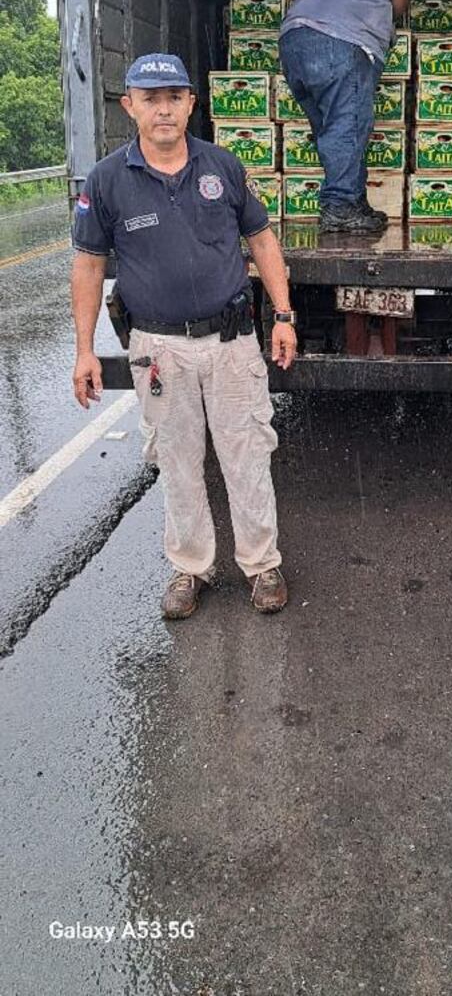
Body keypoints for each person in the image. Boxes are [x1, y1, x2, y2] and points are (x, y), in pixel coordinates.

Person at [70, 53, 297, 620]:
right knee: (176, 460)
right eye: (150, 98)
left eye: (174, 96)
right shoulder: (105, 182)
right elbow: (88, 266)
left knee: (246, 453)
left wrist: (285, 314)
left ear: (192, 103)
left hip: (230, 342)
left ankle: (261, 563)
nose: (164, 108)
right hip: (158, 349)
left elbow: (263, 242)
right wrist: (83, 350)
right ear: (130, 106)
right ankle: (190, 568)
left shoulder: (222, 165)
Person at [279, 0, 414, 232]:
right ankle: (339, 207)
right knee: (347, 127)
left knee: (334, 129)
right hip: (341, 39)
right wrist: (390, 18)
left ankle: (352, 202)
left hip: (293, 41)